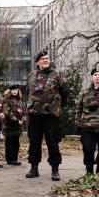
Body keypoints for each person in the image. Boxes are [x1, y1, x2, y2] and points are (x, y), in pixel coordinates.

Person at [25, 50, 69, 181]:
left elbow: (65, 91)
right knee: (34, 142)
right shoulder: (31, 75)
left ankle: (55, 170)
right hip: (35, 115)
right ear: (37, 62)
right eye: (43, 59)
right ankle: (34, 168)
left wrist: (58, 107)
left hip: (51, 115)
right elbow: (29, 91)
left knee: (53, 143)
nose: (46, 60)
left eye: (47, 58)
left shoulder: (56, 75)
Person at [3, 84, 25, 166]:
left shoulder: (19, 100)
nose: (15, 91)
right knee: (10, 143)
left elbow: (23, 111)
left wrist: (23, 119)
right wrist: (17, 120)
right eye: (13, 90)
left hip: (18, 125)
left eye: (17, 90)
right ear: (10, 91)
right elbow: (8, 112)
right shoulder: (6, 99)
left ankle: (15, 158)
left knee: (16, 143)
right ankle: (10, 159)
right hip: (10, 124)